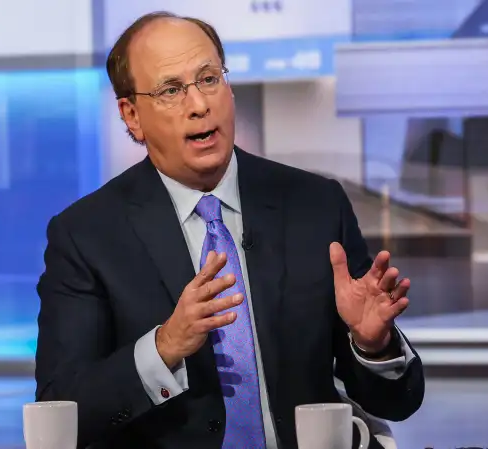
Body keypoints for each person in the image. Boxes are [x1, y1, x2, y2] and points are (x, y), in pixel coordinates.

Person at [34, 11, 424, 449]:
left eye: (208, 79)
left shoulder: (314, 206)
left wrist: (372, 344)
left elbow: (398, 401)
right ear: (132, 116)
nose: (199, 104)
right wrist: (163, 348)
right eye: (171, 90)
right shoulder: (86, 235)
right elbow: (62, 410)